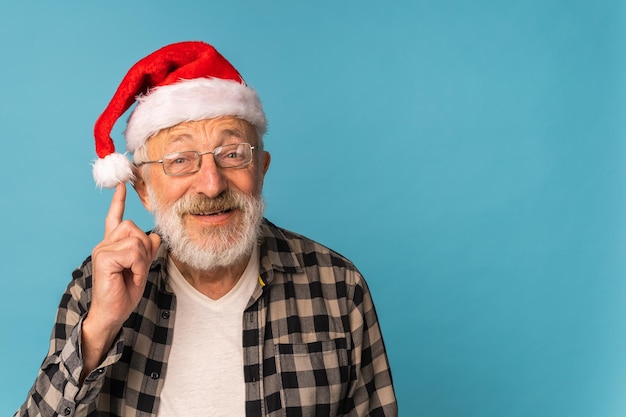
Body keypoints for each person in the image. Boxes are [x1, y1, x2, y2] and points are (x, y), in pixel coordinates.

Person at [16, 41, 397, 417]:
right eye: (181, 160)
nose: (211, 185)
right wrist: (100, 326)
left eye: (232, 155)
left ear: (261, 169)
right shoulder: (95, 287)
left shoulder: (338, 287)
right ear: (144, 190)